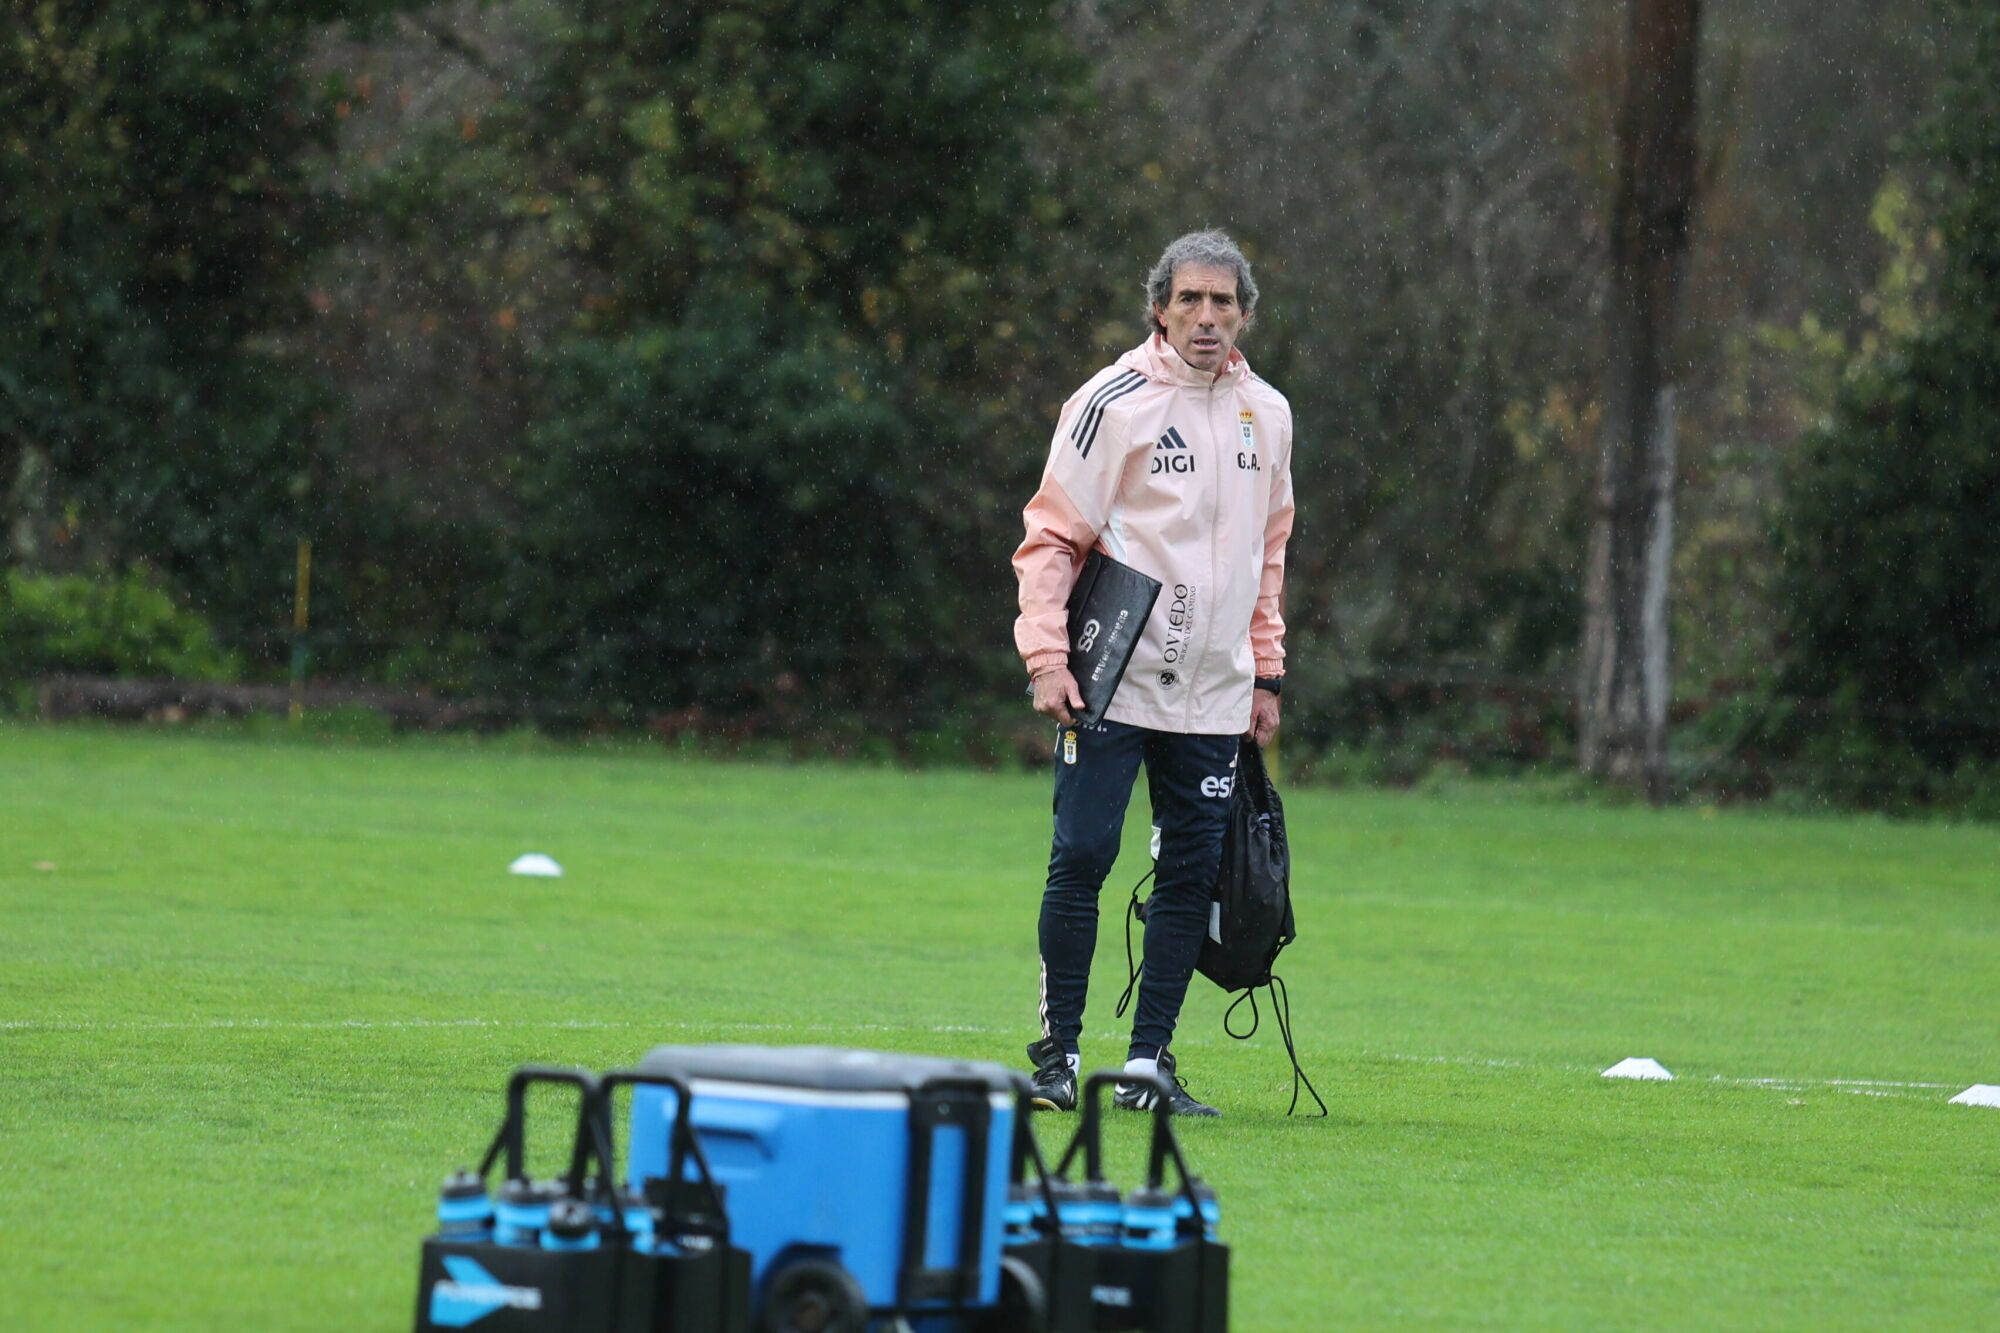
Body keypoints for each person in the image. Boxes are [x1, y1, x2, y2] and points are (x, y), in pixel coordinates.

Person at [1012, 230, 1294, 1118]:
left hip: (1215, 689)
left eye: (1222, 302)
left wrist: (1265, 671)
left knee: (1190, 874)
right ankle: (1055, 1055)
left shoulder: (1270, 414)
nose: (1206, 317)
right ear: (1160, 310)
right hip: (1113, 678)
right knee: (1084, 856)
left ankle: (1148, 1065)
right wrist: (1047, 656)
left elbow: (1269, 548)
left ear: (1245, 312)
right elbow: (1052, 536)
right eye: (1189, 301)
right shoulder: (1113, 400)